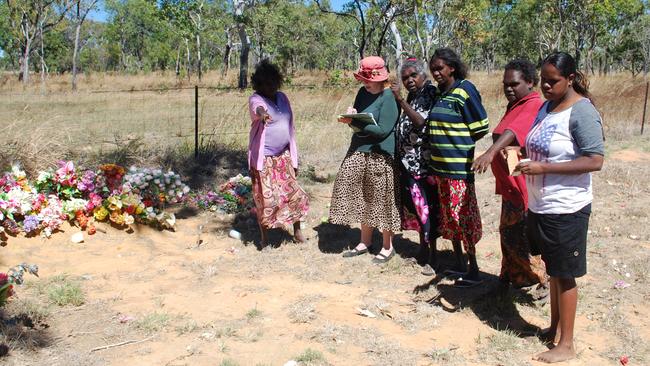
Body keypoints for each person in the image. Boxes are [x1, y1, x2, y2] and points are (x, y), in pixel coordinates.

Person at [518, 52, 604, 363]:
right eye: (542, 80)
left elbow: (595, 160)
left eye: (552, 81)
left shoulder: (582, 112)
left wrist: (545, 170)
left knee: (565, 274)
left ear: (570, 79)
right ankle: (554, 328)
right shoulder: (546, 107)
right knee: (554, 270)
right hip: (542, 204)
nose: (544, 86)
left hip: (567, 207)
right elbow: (541, 146)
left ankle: (567, 344)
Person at [472, 59, 548, 294]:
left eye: (514, 84)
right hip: (510, 182)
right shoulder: (516, 104)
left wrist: (490, 152)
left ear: (530, 83)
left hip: (522, 183)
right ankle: (510, 276)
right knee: (508, 231)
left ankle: (541, 281)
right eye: (505, 84)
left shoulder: (533, 103)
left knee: (521, 234)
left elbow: (515, 132)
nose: (508, 88)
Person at [427, 48, 489, 286]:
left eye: (440, 68)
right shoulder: (441, 94)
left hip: (458, 169)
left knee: (463, 217)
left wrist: (459, 143)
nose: (436, 73)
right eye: (433, 69)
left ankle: (474, 269)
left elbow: (480, 126)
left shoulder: (465, 90)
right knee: (450, 218)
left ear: (451, 67)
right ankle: (459, 264)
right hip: (441, 169)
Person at [330, 56, 400, 264]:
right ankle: (365, 241)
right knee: (363, 197)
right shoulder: (363, 93)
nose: (365, 84)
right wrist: (351, 119)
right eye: (363, 79)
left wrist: (357, 122)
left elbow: (383, 131)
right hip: (359, 149)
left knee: (383, 200)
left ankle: (388, 247)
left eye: (368, 79)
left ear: (381, 79)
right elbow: (359, 123)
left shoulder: (389, 98)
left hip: (380, 155)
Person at [248, 59, 309, 246]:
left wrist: (294, 158)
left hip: (284, 156)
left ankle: (297, 232)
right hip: (265, 159)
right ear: (259, 85)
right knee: (266, 199)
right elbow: (257, 109)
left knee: (294, 195)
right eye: (267, 83)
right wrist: (262, 114)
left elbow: (290, 127)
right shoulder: (256, 98)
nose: (271, 86)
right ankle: (265, 238)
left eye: (274, 82)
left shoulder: (282, 97)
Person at [390, 58, 440, 275]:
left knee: (427, 208)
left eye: (413, 76)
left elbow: (420, 122)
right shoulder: (415, 95)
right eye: (405, 78)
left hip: (423, 165)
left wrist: (400, 100)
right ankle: (423, 249)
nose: (409, 80)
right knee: (420, 209)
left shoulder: (429, 93)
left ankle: (433, 256)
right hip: (410, 164)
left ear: (423, 75)